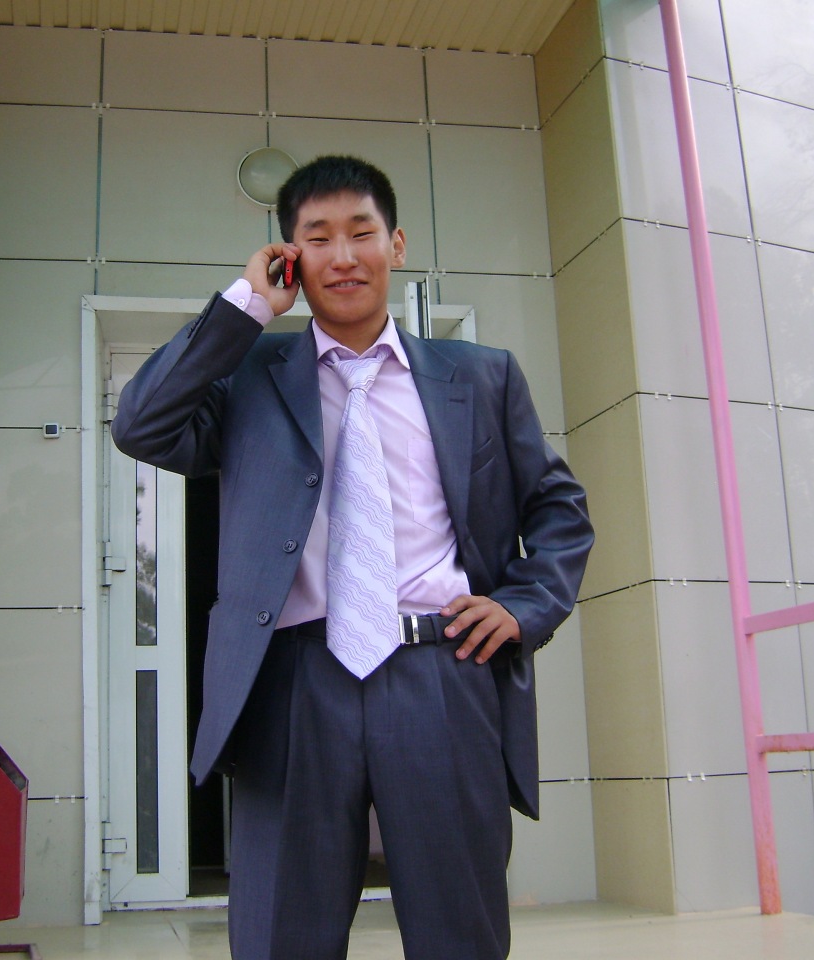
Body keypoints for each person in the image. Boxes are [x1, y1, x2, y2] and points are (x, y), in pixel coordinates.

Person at [111, 155, 592, 960]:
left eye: (361, 233)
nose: (343, 256)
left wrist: (522, 606)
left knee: (461, 933)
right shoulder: (250, 378)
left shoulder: (482, 377)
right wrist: (245, 308)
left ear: (396, 245)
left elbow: (558, 506)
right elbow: (141, 425)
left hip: (443, 673)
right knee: (281, 935)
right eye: (317, 238)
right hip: (293, 685)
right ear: (289, 256)